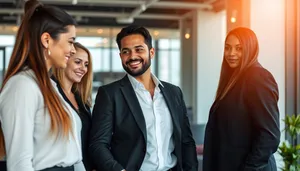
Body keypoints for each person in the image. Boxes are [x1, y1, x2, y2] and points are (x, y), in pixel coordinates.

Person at [89, 25, 198, 171]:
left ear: (151, 52)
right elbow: (98, 144)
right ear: (121, 56)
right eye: (126, 51)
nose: (132, 56)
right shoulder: (110, 94)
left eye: (139, 49)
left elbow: (186, 141)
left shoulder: (174, 92)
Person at [0, 0, 84, 170]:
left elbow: (72, 153)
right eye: (70, 41)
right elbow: (19, 163)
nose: (73, 49)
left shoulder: (50, 86)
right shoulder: (22, 86)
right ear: (46, 40)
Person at [203, 27, 280, 171]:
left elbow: (269, 136)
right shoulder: (234, 80)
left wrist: (248, 168)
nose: (231, 54)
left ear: (251, 49)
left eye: (239, 48)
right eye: (227, 48)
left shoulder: (259, 77)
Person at [51, 42, 94, 171]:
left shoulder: (81, 100)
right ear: (64, 60)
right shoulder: (50, 94)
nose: (83, 68)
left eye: (86, 64)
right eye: (78, 62)